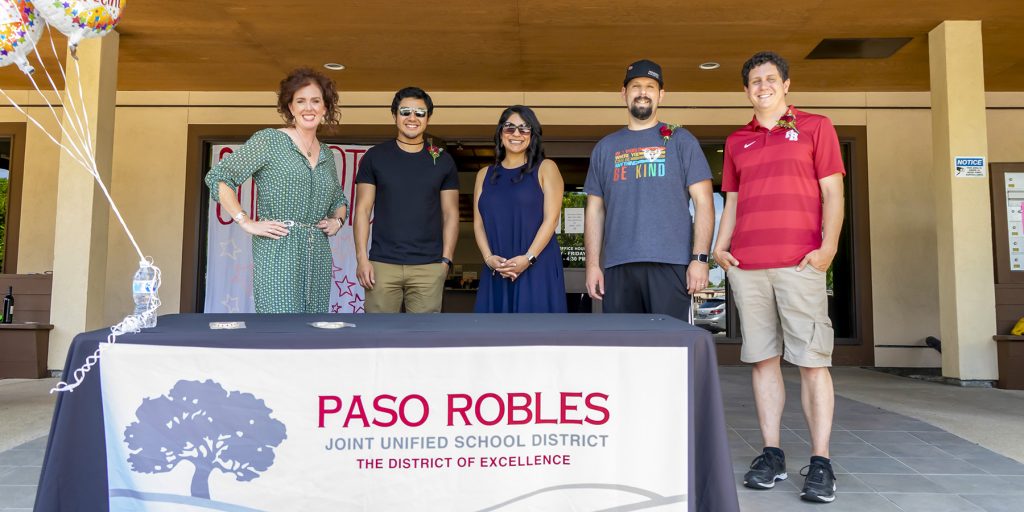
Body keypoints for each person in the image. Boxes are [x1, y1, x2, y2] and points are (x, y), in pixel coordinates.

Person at [713, 51, 845, 503]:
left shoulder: (816, 127)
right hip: (747, 267)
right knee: (763, 361)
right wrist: (720, 247)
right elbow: (731, 200)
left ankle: (822, 461)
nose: (762, 86)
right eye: (754, 80)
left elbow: (832, 192)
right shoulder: (736, 142)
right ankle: (772, 454)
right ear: (746, 90)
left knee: (812, 362)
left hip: (799, 265)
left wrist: (827, 249)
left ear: (787, 84)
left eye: (770, 78)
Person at [204, 67, 347, 313]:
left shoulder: (326, 153)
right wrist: (245, 221)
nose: (308, 108)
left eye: (315, 101)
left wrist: (338, 221)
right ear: (290, 107)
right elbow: (219, 177)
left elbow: (338, 199)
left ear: (325, 108)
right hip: (279, 251)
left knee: (314, 332)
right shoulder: (269, 140)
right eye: (300, 101)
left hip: (318, 257)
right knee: (280, 329)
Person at [583, 59, 715, 320]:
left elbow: (704, 203)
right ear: (624, 93)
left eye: (650, 87)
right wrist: (592, 265)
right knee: (622, 347)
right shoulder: (605, 148)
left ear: (661, 94)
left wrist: (699, 259)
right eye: (635, 86)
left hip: (670, 263)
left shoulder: (681, 141)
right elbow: (595, 211)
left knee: (669, 347)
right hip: (618, 265)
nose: (642, 92)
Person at [353, 87, 459, 313]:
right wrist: (362, 259)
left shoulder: (442, 160)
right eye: (405, 112)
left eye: (420, 113)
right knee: (378, 337)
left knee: (423, 340)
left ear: (428, 118)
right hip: (381, 265)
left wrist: (446, 261)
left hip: (429, 266)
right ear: (394, 115)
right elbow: (362, 210)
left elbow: (451, 214)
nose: (412, 118)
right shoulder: (375, 156)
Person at [473, 106, 567, 313]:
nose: (516, 134)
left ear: (532, 135)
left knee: (537, 336)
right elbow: (478, 223)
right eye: (510, 128)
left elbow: (551, 220)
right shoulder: (484, 175)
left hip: (537, 265)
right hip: (497, 268)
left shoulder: (546, 168)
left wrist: (528, 258)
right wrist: (488, 258)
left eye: (524, 129)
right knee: (494, 336)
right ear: (500, 133)